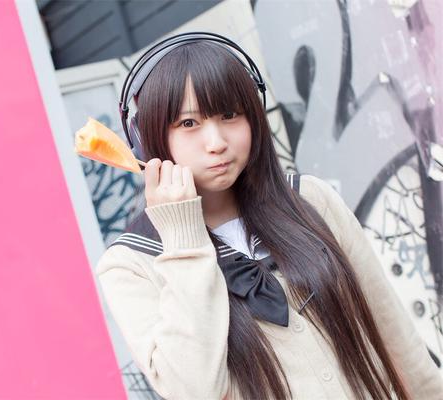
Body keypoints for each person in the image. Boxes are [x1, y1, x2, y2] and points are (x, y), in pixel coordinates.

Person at [94, 32, 443, 400]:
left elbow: (393, 332)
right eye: (189, 124)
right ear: (148, 139)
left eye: (230, 115)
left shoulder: (309, 199)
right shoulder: (131, 264)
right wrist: (183, 240)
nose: (216, 143)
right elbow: (194, 389)